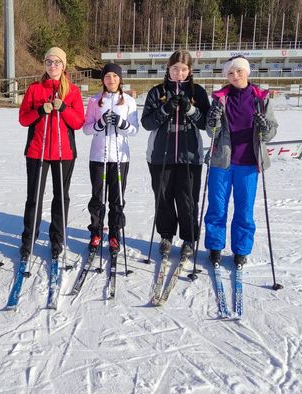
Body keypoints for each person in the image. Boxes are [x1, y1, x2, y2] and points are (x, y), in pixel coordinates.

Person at [204, 55, 278, 267]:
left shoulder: (260, 98)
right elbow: (211, 132)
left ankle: (241, 250)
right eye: (230, 72)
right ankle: (215, 247)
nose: (235, 75)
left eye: (239, 71)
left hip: (248, 163)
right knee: (217, 208)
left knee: (244, 210)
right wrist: (213, 120)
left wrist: (264, 127)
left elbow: (271, 131)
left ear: (247, 71)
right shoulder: (220, 98)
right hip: (221, 161)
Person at [141, 49, 211, 259]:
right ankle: (166, 236)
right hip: (160, 155)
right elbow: (147, 123)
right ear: (168, 68)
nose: (178, 73)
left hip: (189, 156)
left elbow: (206, 124)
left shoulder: (197, 92)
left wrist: (190, 110)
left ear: (189, 71)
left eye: (183, 69)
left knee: (188, 199)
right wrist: (165, 109)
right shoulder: (157, 92)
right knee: (163, 198)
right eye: (174, 69)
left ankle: (189, 239)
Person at [18, 47, 85, 259]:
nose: (53, 65)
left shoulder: (72, 91)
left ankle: (57, 239)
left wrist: (64, 108)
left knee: (61, 197)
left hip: (64, 153)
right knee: (34, 198)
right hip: (37, 151)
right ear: (45, 64)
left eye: (57, 62)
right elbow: (23, 119)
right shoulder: (35, 88)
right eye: (49, 61)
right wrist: (40, 110)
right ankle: (29, 239)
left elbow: (78, 122)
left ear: (63, 65)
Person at [82, 63, 139, 254]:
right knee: (98, 198)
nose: (111, 79)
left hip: (120, 158)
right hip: (99, 156)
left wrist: (122, 123)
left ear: (120, 79)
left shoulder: (129, 101)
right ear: (103, 79)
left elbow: (134, 130)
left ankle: (114, 234)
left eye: (115, 76)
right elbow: (86, 128)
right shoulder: (95, 100)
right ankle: (96, 232)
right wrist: (99, 123)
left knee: (117, 199)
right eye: (107, 76)